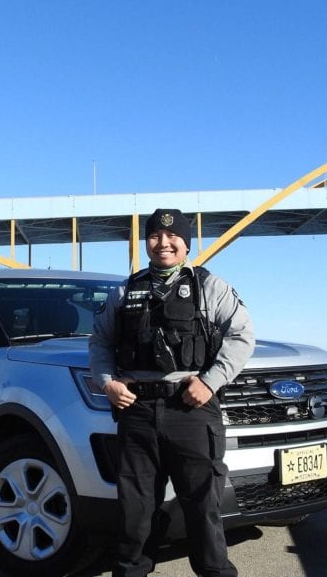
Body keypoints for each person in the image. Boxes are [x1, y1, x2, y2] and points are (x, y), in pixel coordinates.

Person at [89, 208, 255, 577]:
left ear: (185, 243)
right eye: (154, 236)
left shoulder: (210, 287)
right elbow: (99, 342)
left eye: (172, 237)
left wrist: (210, 381)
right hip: (138, 413)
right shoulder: (124, 290)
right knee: (135, 511)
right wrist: (108, 382)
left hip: (192, 410)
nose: (163, 243)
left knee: (203, 507)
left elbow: (242, 337)